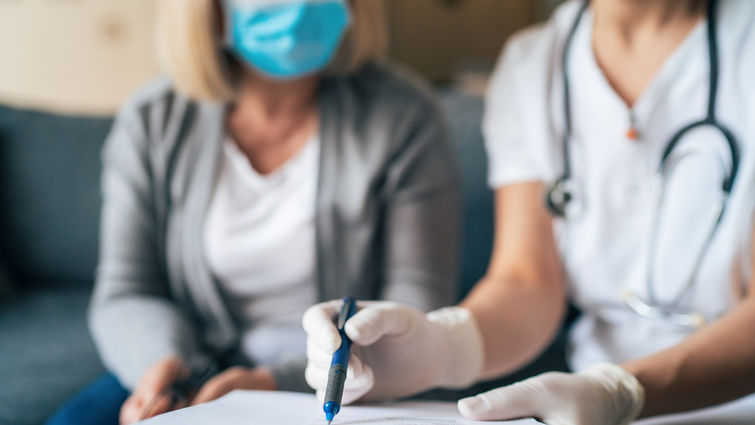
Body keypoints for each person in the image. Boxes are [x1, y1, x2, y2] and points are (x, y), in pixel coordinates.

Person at [303, 0, 755, 423]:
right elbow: (527, 282)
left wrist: (622, 388)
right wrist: (444, 344)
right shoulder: (533, 65)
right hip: (582, 408)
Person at [46, 0, 460, 424]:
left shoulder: (406, 116)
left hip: (347, 383)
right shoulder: (153, 120)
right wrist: (162, 365)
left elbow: (416, 310)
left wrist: (271, 384)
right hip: (188, 374)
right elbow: (128, 290)